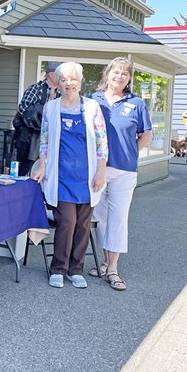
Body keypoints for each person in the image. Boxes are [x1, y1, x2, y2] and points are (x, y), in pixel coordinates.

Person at [33, 62, 107, 289]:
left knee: (83, 225)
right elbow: (44, 141)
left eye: (73, 79)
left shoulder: (93, 107)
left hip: (86, 176)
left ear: (80, 81)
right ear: (58, 82)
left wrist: (101, 171)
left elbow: (102, 141)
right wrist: (42, 165)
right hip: (61, 175)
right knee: (67, 221)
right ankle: (58, 268)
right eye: (63, 79)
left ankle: (76, 269)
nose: (68, 83)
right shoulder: (51, 108)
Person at [91, 57, 152, 291]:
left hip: (124, 171)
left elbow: (145, 134)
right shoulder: (93, 100)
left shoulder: (136, 103)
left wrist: (131, 153)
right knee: (100, 216)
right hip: (98, 169)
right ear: (107, 74)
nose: (120, 76)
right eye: (116, 72)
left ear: (129, 78)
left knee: (118, 218)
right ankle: (104, 262)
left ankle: (113, 268)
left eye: (125, 74)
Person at [13, 61, 60, 176]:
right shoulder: (36, 89)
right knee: (25, 170)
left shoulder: (60, 94)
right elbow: (23, 108)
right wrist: (40, 119)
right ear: (51, 75)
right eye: (59, 75)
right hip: (29, 138)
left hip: (49, 138)